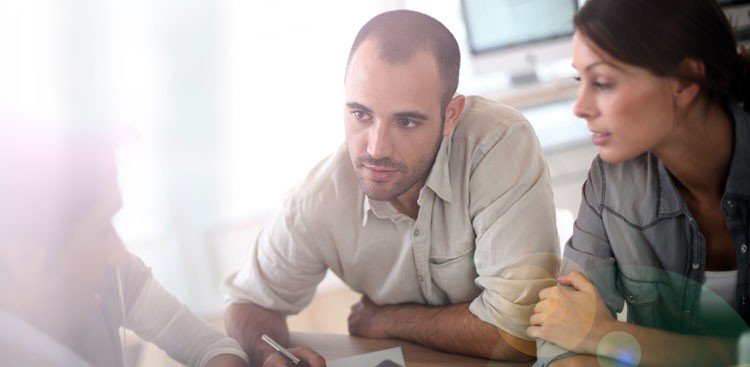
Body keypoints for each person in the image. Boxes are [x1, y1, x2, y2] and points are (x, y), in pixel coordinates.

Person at [223, 9, 559, 367]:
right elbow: (248, 303)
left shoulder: (497, 145)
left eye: (406, 121)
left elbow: (519, 336)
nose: (376, 148)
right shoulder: (317, 200)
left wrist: (385, 320)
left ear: (451, 115)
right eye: (361, 114)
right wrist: (266, 354)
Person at [528, 0, 750, 366]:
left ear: (682, 82)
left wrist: (603, 334)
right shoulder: (610, 182)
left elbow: (584, 333)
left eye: (601, 82)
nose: (579, 107)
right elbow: (561, 336)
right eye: (578, 80)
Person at [0, 121, 249, 367]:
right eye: (100, 229)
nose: (119, 254)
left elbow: (211, 347)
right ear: (23, 256)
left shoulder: (111, 273)